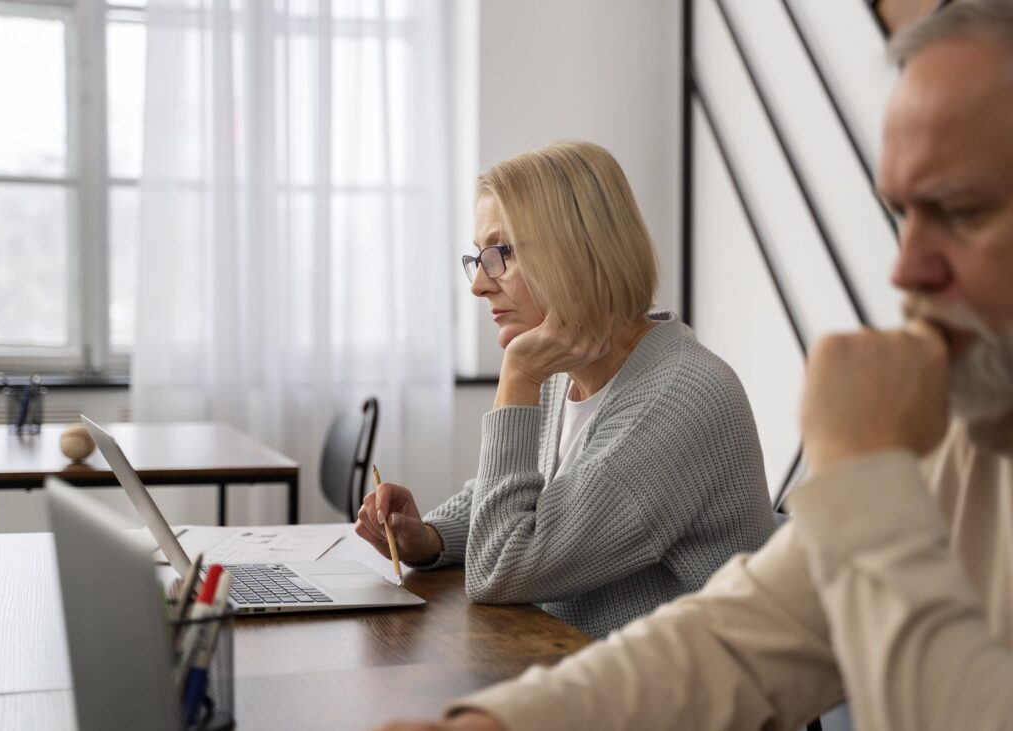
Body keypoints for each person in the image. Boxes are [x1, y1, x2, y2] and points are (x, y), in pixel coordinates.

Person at [369, 1, 1013, 729]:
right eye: (902, 215)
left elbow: (505, 563)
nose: (904, 269)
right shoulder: (969, 432)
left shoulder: (685, 394)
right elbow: (738, 637)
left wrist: (864, 476)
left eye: (959, 211)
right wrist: (494, 723)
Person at [355, 140, 776, 639]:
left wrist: (517, 377)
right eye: (478, 258)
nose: (479, 285)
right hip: (587, 667)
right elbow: (525, 501)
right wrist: (428, 538)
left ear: (576, 253)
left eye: (501, 254)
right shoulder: (568, 371)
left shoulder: (679, 399)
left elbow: (500, 569)